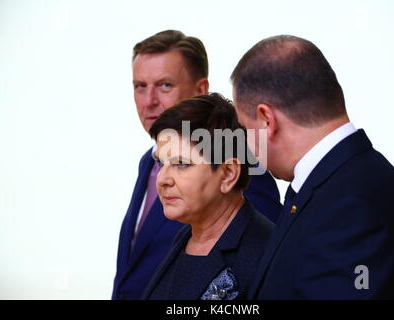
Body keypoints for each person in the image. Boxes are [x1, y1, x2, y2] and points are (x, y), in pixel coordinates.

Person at [230, 35, 394, 299]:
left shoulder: (352, 210)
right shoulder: (339, 184)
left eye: (245, 128)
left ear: (266, 119)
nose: (248, 144)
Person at [112, 30, 282, 300]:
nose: (149, 100)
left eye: (165, 85)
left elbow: (266, 261)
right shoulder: (149, 162)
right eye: (140, 86)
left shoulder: (242, 165)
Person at [142, 93, 274, 300]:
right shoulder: (185, 238)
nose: (162, 179)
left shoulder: (267, 256)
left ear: (228, 173)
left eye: (181, 164)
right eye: (161, 163)